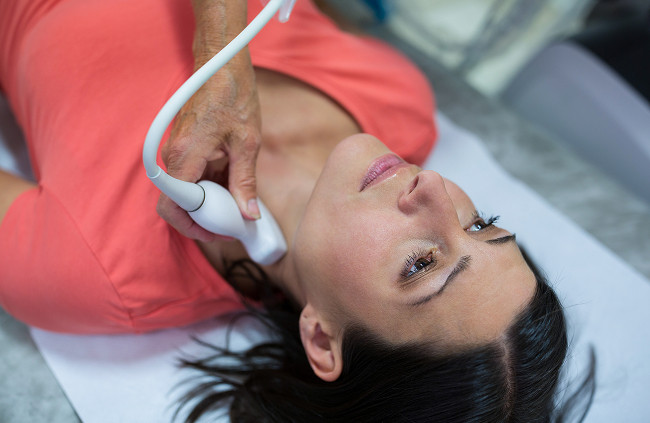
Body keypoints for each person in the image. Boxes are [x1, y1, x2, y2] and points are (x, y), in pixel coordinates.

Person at [0, 0, 595, 421]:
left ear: (322, 338)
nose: (434, 188)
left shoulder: (97, 270)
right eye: (480, 224)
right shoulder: (399, 99)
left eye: (420, 264)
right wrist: (220, 52)